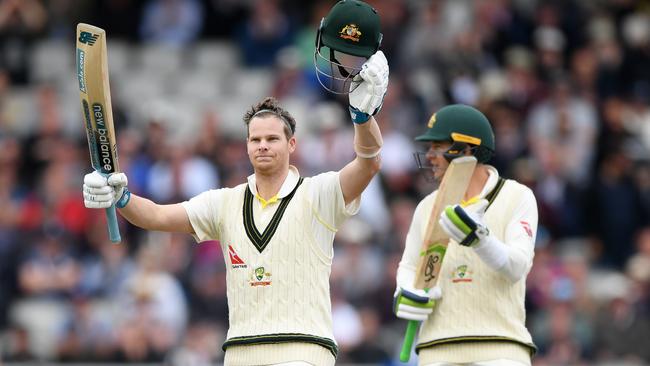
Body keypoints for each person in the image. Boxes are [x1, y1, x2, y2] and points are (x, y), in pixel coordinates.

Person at [82, 1, 388, 364]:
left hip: (304, 350)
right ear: (246, 145)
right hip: (241, 351)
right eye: (255, 139)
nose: (262, 146)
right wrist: (121, 195)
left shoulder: (317, 193)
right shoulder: (225, 202)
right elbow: (156, 217)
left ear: (292, 144)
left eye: (272, 139)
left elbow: (368, 164)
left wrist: (362, 117)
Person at [393, 105, 538, 366]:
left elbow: (517, 267)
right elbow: (409, 267)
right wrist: (405, 291)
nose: (429, 156)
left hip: (500, 347)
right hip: (437, 349)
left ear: (467, 149)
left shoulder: (516, 196)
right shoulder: (427, 207)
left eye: (437, 147)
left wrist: (480, 240)